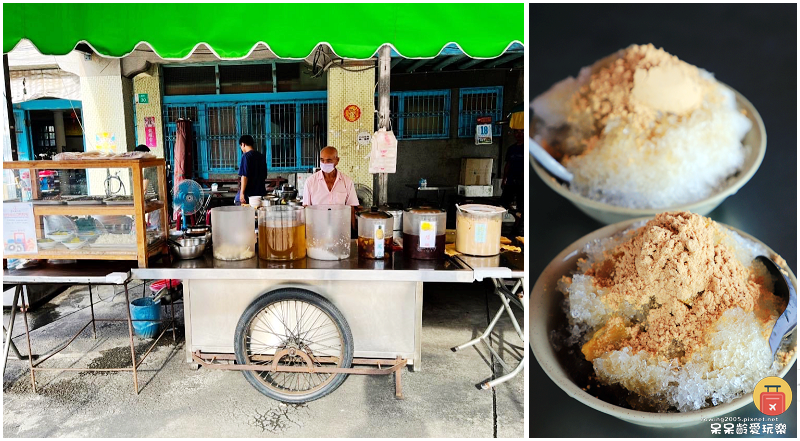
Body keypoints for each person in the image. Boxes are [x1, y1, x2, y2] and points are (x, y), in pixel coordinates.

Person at [302, 146, 360, 226]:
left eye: (329, 160)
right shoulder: (310, 182)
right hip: (317, 229)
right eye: (322, 160)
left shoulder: (347, 182)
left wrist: (353, 232)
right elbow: (306, 209)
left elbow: (351, 208)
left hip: (340, 229)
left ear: (337, 161)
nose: (325, 163)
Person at [501, 129, 524, 234]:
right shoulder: (511, 149)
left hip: (523, 182)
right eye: (517, 132)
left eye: (522, 132)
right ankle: (516, 214)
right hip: (511, 180)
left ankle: (517, 228)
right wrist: (504, 178)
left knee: (522, 204)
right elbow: (508, 164)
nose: (519, 135)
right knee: (503, 202)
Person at [235, 135, 268, 205]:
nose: (241, 149)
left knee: (237, 201)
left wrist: (242, 193)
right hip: (260, 193)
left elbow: (244, 176)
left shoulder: (246, 156)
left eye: (240, 146)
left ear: (243, 144)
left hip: (249, 194)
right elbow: (264, 175)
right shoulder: (261, 156)